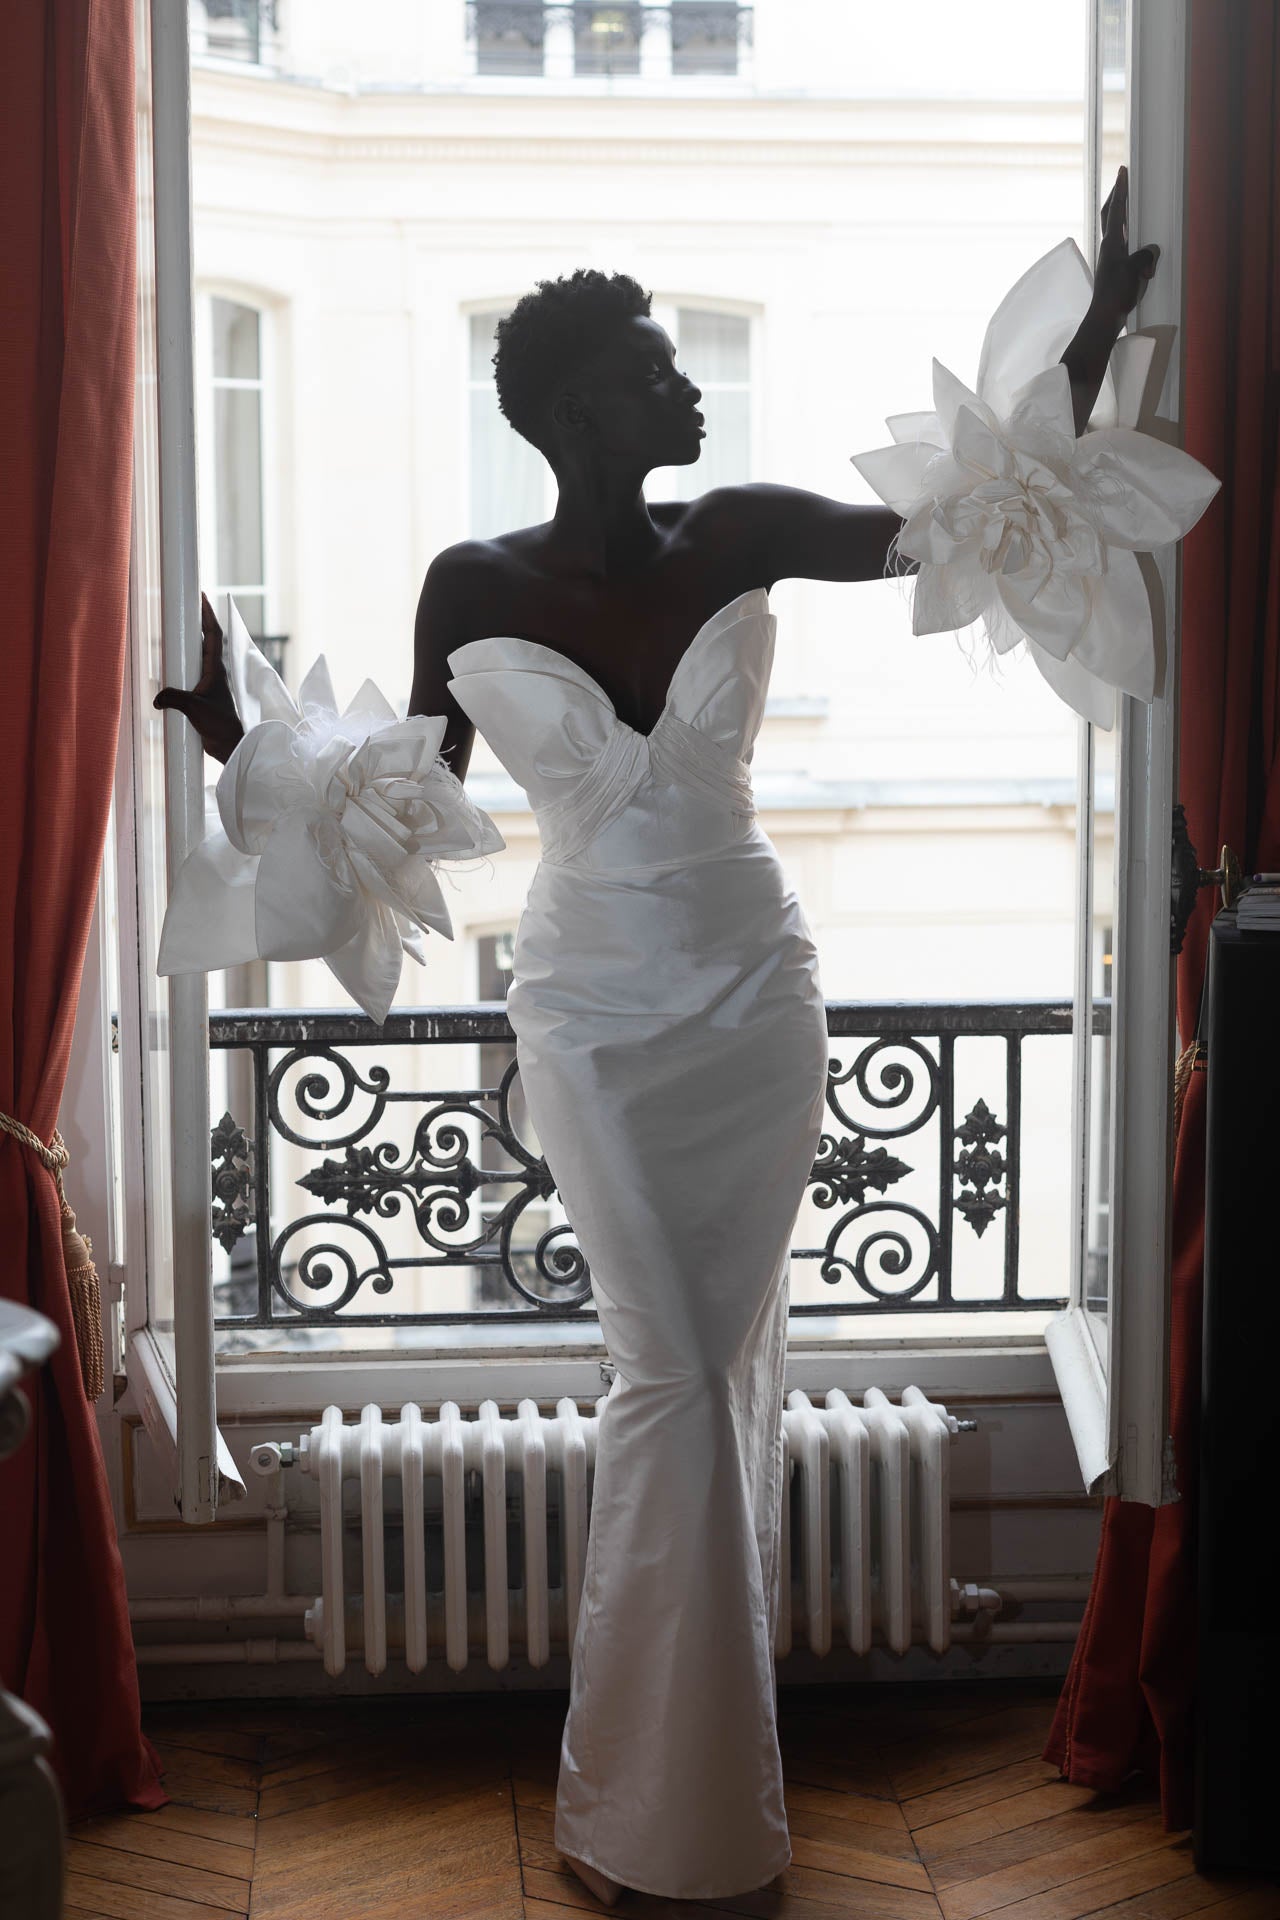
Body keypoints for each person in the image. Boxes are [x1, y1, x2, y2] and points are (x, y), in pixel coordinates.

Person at [159, 169, 1155, 1905]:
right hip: (594, 1018)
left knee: (708, 1383)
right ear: (565, 409)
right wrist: (241, 732)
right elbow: (405, 804)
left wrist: (1085, 339)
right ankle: (655, 1818)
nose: (684, 380)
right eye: (649, 360)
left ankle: (676, 1813)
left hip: (752, 1006)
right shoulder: (466, 580)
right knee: (677, 1382)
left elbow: (967, 528)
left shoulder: (748, 526)